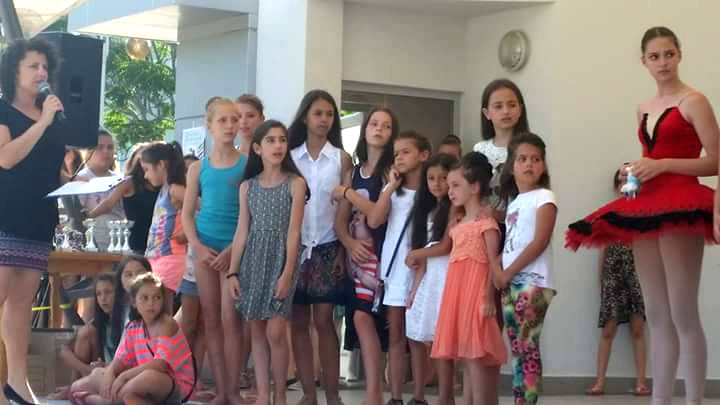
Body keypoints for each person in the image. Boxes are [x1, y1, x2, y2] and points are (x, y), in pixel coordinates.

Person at [567, 27, 719, 405]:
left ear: (679, 54)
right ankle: (660, 400)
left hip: (682, 203)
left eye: (668, 54)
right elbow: (649, 157)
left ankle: (694, 400)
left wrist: (662, 163)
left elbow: (715, 160)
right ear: (644, 62)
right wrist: (632, 171)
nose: (662, 62)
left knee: (683, 312)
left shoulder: (694, 101)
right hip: (646, 204)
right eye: (654, 56)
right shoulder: (643, 107)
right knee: (656, 312)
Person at [0, 37, 66, 404]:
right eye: (33, 66)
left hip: (38, 217)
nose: (42, 72)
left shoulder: (50, 116)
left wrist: (79, 183)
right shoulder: (3, 111)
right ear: (14, 71)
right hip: (4, 215)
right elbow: (6, 158)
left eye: (45, 66)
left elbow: (49, 168)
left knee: (22, 306)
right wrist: (42, 122)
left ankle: (17, 381)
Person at [228, 120, 307, 405]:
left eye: (282, 140)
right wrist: (233, 272)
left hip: (281, 258)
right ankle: (263, 395)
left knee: (275, 330)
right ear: (258, 148)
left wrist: (287, 273)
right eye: (271, 140)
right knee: (257, 330)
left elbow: (294, 232)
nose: (278, 145)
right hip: (252, 260)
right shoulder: (247, 187)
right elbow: (241, 231)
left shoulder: (295, 183)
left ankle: (280, 394)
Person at [182, 97, 250, 404]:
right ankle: (222, 391)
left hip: (234, 248)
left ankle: (233, 390)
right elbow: (187, 214)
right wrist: (197, 246)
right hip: (205, 248)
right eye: (223, 120)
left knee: (229, 317)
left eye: (234, 119)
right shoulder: (199, 168)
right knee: (210, 319)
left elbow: (250, 215)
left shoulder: (247, 164)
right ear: (209, 125)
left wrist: (234, 249)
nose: (230, 125)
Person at [289, 90, 352, 405]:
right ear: (305, 117)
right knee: (298, 323)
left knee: (325, 321)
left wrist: (342, 247)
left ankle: (333, 394)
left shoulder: (341, 158)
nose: (324, 119)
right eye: (318, 113)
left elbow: (346, 209)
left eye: (329, 114)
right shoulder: (290, 156)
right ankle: (308, 393)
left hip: (328, 246)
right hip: (296, 247)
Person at [431, 152, 508, 405]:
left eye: (455, 185)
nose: (449, 191)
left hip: (476, 294)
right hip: (458, 293)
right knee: (466, 354)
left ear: (474, 187)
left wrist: (487, 296)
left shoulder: (486, 224)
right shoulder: (458, 224)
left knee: (475, 354)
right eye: (449, 186)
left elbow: (492, 263)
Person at [334, 107, 397, 405]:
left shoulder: (390, 172)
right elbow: (340, 220)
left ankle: (376, 392)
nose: (379, 129)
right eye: (374, 123)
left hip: (384, 255)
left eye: (386, 125)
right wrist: (348, 243)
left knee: (371, 319)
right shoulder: (353, 171)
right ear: (365, 129)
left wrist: (348, 193)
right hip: (357, 257)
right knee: (360, 318)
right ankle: (374, 391)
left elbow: (376, 216)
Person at [367, 131, 431, 405]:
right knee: (395, 334)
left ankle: (419, 396)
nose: (400, 158)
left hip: (422, 270)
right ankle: (395, 396)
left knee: (416, 336)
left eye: (406, 152)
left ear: (423, 155)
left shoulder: (433, 191)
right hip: (395, 271)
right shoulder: (394, 191)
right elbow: (374, 220)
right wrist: (390, 187)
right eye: (396, 154)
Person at [496, 133, 557, 405]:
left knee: (528, 346)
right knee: (517, 348)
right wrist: (498, 268)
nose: (529, 164)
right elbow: (512, 244)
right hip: (512, 283)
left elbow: (539, 242)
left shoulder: (544, 196)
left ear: (543, 166)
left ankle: (527, 401)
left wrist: (507, 273)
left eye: (536, 159)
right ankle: (520, 399)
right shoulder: (515, 203)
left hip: (533, 282)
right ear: (512, 166)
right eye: (522, 159)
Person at [71, 273, 195, 404]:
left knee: (147, 378)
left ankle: (103, 402)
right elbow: (120, 361)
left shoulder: (167, 324)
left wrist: (124, 377)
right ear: (134, 302)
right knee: (92, 377)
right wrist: (110, 374)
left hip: (172, 384)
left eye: (157, 297)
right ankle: (118, 400)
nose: (151, 303)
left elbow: (160, 365)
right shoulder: (133, 327)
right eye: (145, 298)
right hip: (138, 381)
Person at [586, 170, 648, 397]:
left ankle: (641, 383)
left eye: (629, 180)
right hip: (613, 272)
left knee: (638, 328)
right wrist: (601, 277)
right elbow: (603, 245)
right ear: (616, 186)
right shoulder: (610, 213)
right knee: (608, 328)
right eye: (621, 181)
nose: (625, 184)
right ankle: (600, 382)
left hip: (638, 272)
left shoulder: (645, 212)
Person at [404, 153, 457, 405]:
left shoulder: (454, 208)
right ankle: (421, 395)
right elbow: (424, 257)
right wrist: (414, 290)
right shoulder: (427, 210)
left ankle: (446, 397)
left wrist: (416, 253)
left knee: (441, 341)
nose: (436, 183)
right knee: (418, 332)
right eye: (431, 178)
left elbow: (445, 246)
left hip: (446, 276)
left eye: (443, 178)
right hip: (430, 278)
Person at [88, 144, 158, 254]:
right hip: (137, 239)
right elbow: (108, 203)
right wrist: (88, 217)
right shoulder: (128, 182)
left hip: (157, 238)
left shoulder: (160, 183)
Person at [142, 142, 187, 304]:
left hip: (171, 257)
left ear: (160, 165)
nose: (145, 176)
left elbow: (205, 208)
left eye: (147, 169)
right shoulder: (165, 189)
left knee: (162, 307)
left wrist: (189, 232)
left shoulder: (175, 189)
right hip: (157, 255)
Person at [78, 129, 125, 251]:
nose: (106, 151)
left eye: (110, 147)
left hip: (120, 241)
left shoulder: (120, 179)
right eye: (100, 147)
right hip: (93, 243)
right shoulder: (81, 178)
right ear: (89, 151)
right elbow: (78, 216)